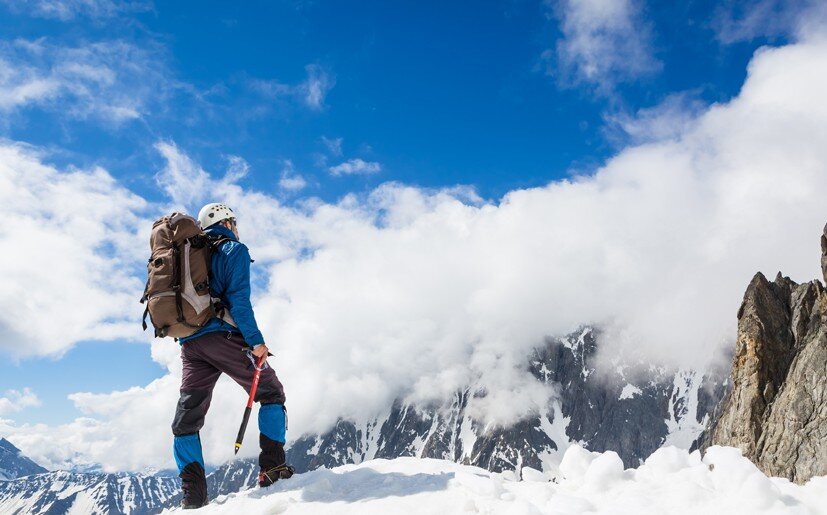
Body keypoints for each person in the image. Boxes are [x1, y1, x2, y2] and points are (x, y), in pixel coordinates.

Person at [171, 203, 290, 510]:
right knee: (271, 392)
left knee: (187, 419)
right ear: (227, 221)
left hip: (190, 345)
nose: (236, 227)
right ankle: (273, 469)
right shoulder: (232, 249)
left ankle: (193, 498)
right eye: (234, 221)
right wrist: (257, 342)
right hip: (223, 337)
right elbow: (239, 301)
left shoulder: (187, 252)